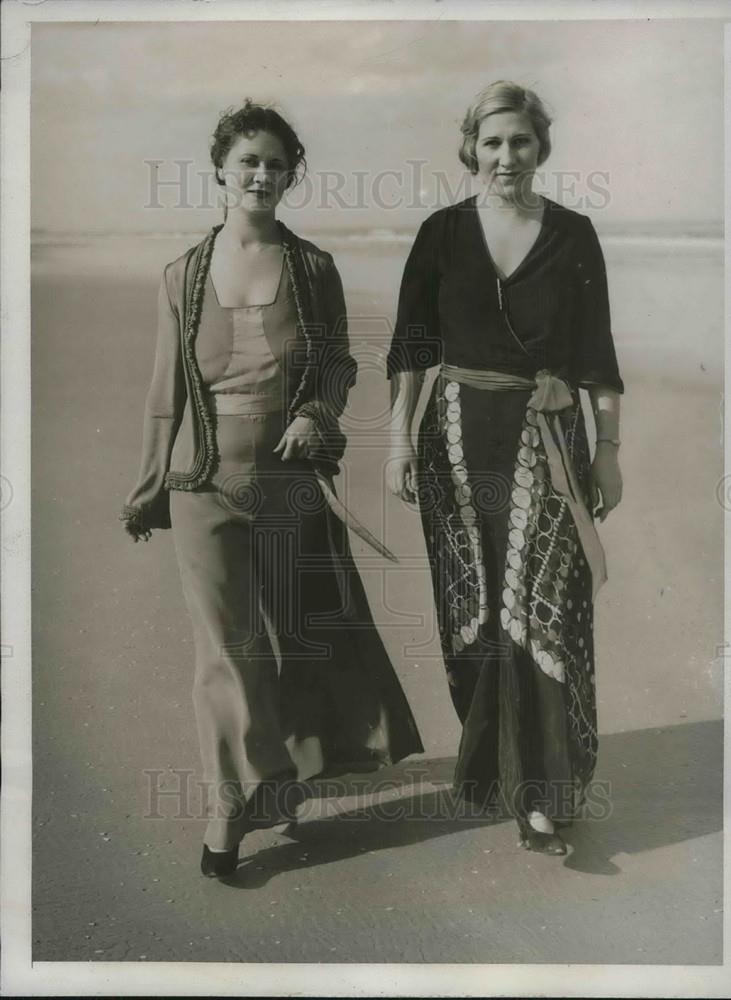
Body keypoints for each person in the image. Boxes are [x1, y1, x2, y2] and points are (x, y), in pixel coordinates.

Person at [122, 100, 423, 878]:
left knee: (298, 637)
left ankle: (277, 785)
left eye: (276, 163)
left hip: (288, 478)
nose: (261, 173)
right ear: (221, 169)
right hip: (202, 481)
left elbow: (335, 364)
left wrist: (318, 412)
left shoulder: (313, 268)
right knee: (226, 651)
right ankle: (228, 812)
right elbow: (164, 392)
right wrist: (152, 482)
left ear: (292, 176)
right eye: (248, 160)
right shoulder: (180, 274)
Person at [386, 81, 623, 856]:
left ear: (539, 147)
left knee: (540, 605)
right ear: (471, 149)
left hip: (548, 438)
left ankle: (541, 795)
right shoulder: (440, 233)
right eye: (491, 142)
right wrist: (396, 439)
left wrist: (609, 451)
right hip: (453, 441)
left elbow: (595, 357)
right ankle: (496, 766)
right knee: (479, 611)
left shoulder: (573, 235)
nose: (505, 156)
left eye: (519, 141)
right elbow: (412, 349)